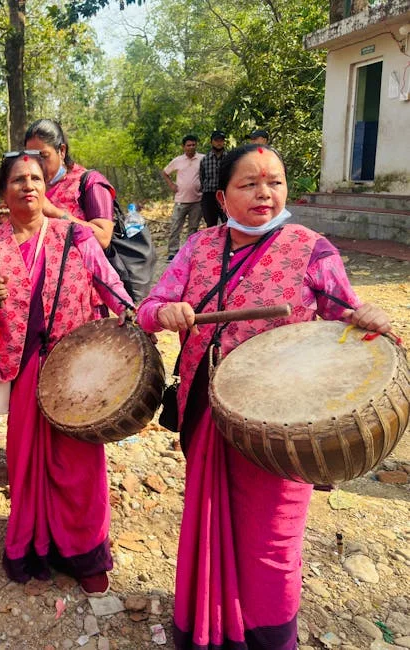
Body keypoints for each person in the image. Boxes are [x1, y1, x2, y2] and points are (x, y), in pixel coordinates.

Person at [138, 144, 392, 650]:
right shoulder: (199, 247)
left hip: (283, 428)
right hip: (208, 412)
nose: (264, 193)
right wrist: (165, 312)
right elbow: (150, 307)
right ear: (222, 197)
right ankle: (209, 631)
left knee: (273, 538)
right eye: (249, 184)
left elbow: (346, 317)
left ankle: (270, 638)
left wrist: (369, 319)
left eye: (274, 182)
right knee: (212, 523)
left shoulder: (312, 249)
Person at [0, 151, 134, 596]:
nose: (29, 186)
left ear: (47, 188)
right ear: (3, 193)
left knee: (80, 458)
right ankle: (34, 545)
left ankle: (85, 552)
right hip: (25, 369)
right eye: (18, 180)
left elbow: (108, 282)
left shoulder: (74, 234)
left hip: (75, 366)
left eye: (36, 178)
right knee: (27, 460)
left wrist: (132, 313)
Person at [23, 119, 114, 249]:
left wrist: (53, 211)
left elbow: (103, 238)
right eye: (32, 157)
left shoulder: (90, 182)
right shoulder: (29, 187)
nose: (37, 163)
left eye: (43, 156)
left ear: (62, 151)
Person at [161, 135, 204, 261]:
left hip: (197, 200)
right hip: (181, 200)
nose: (191, 147)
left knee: (193, 228)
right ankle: (172, 252)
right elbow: (165, 172)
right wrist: (171, 185)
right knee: (175, 227)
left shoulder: (203, 159)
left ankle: (189, 252)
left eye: (193, 145)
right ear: (183, 147)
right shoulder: (178, 160)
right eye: (188, 145)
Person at [199, 130, 227, 227]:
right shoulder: (205, 159)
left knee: (227, 222)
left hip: (225, 195)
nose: (219, 143)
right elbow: (202, 177)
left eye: (221, 140)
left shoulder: (229, 158)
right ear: (211, 142)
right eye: (216, 140)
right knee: (211, 224)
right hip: (209, 195)